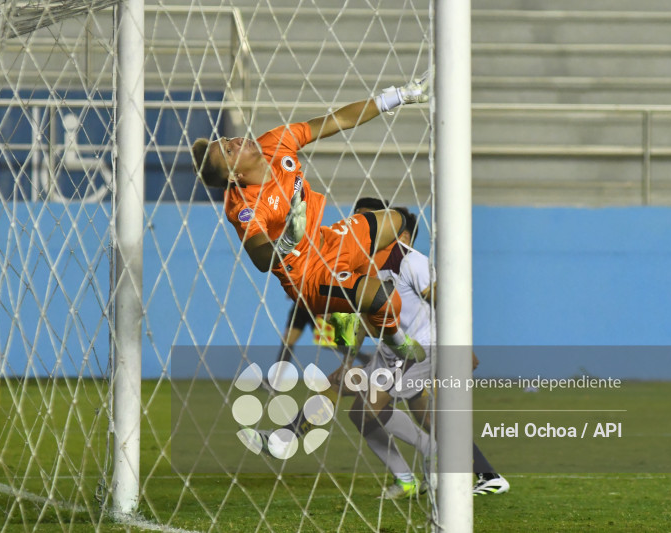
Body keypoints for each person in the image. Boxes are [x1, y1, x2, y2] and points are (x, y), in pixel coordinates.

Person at [191, 76, 429, 362]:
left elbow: (336, 120)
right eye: (229, 151)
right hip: (309, 277)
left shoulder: (274, 142)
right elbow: (259, 257)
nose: (236, 141)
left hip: (328, 241)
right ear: (234, 176)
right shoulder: (243, 205)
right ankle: (398, 344)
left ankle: (352, 304)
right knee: (386, 300)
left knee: (396, 221)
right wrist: (287, 240)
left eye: (228, 139)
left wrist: (398, 96)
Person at [341, 208, 510, 498]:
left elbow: (444, 301)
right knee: (421, 419)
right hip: (394, 352)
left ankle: (430, 457)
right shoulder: (365, 264)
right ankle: (486, 475)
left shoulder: (411, 261)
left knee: (366, 409)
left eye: (368, 222)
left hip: (419, 349)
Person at [273, 197, 388, 366]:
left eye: (364, 215)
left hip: (327, 299)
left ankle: (365, 358)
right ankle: (274, 381)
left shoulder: (375, 251)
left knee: (330, 342)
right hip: (307, 297)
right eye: (357, 214)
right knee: (288, 339)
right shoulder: (342, 235)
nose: (358, 219)